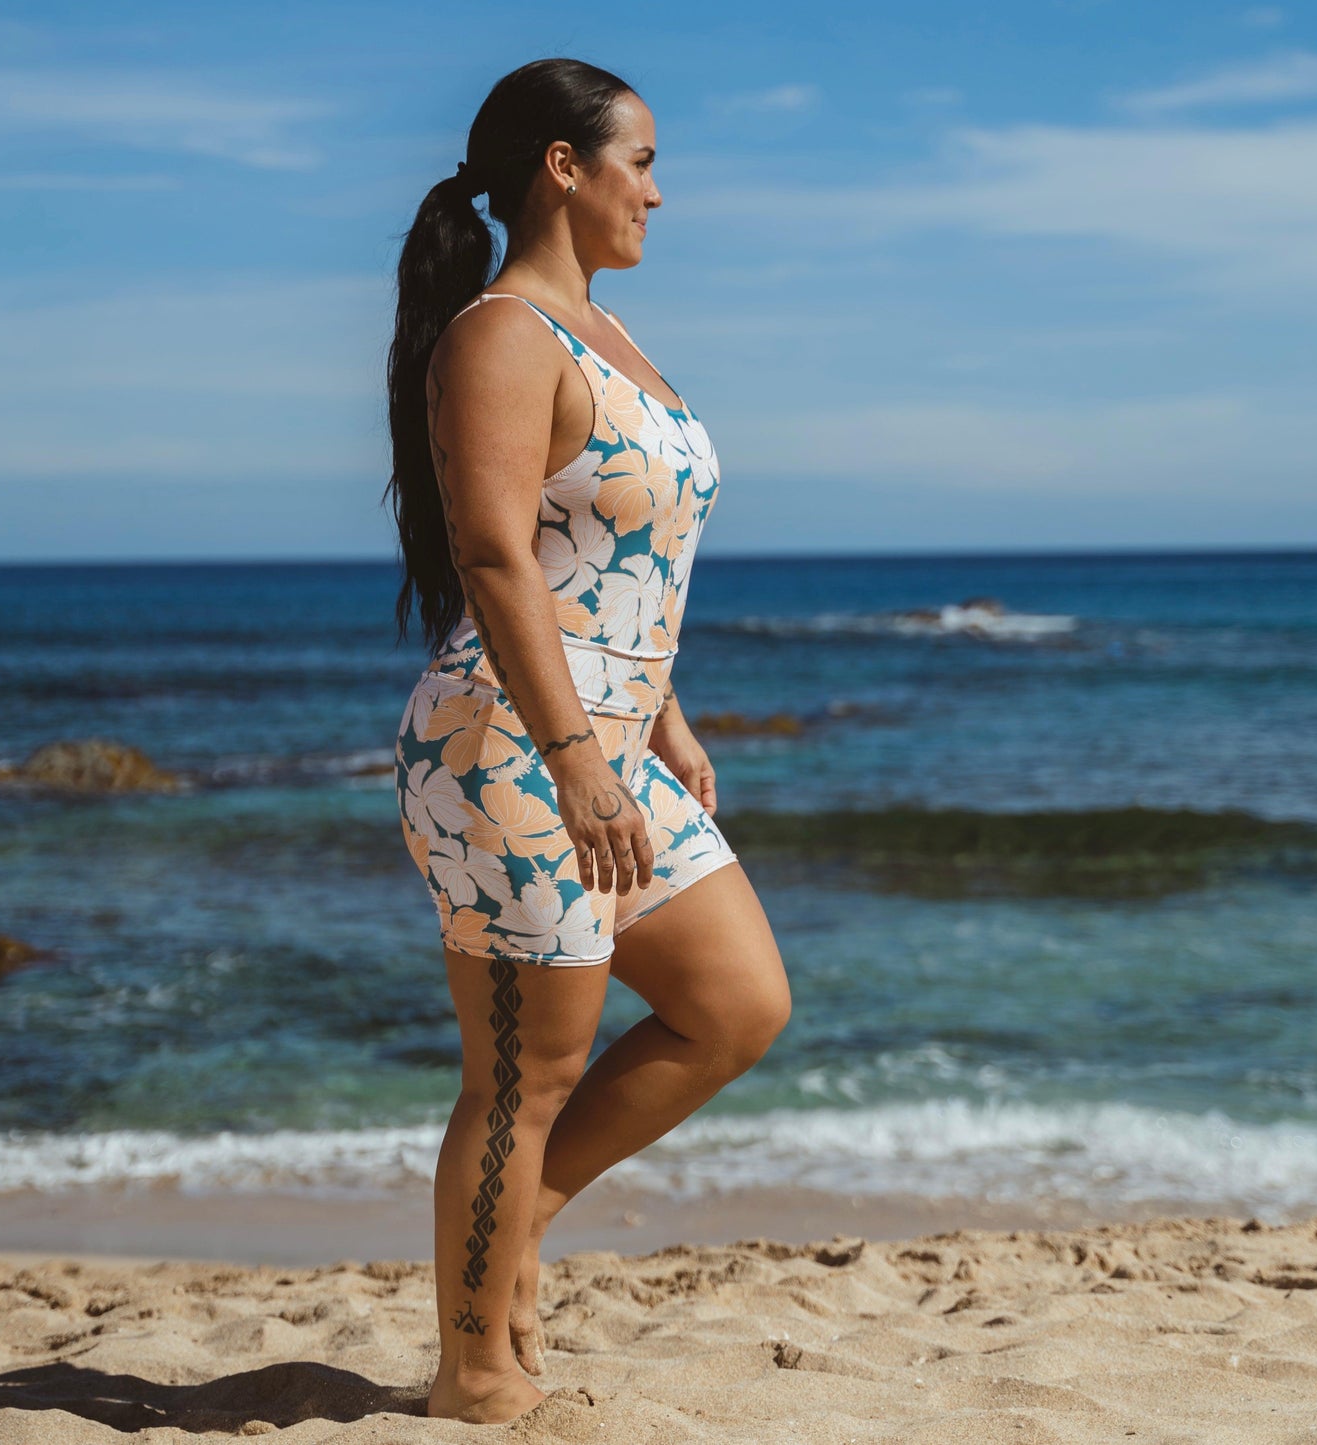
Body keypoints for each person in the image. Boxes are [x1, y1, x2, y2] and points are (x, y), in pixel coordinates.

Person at [384, 56, 792, 1425]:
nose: (657, 194)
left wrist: (660, 709)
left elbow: (610, 549)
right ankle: (474, 1369)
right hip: (510, 746)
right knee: (524, 1073)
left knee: (736, 1003)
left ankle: (518, 1224)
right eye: (640, 164)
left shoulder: (608, 337)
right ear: (562, 167)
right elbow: (495, 557)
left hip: (608, 740)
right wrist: (572, 752)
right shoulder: (500, 335)